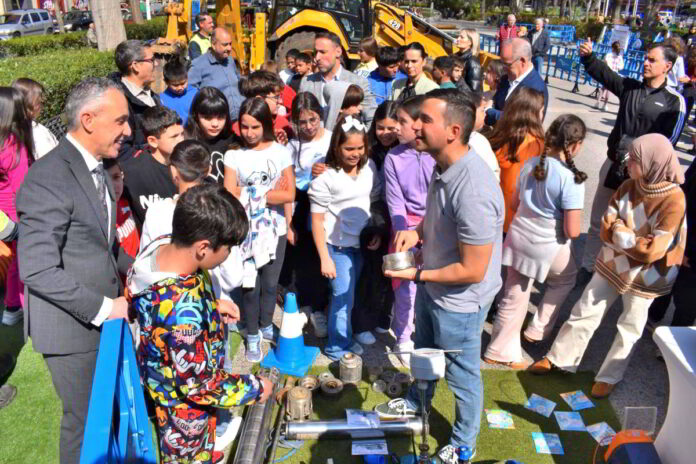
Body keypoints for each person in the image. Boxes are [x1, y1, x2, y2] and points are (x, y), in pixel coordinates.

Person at [374, 89, 504, 464]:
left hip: (460, 302)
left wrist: (416, 274)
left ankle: (464, 444)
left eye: (425, 120)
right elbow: (437, 217)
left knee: (462, 376)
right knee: (424, 354)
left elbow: (473, 269)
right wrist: (417, 233)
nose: (415, 125)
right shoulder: (441, 164)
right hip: (434, 288)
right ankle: (418, 402)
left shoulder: (474, 189)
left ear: (453, 131)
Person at [17, 77, 132, 463]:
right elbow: (37, 269)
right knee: (85, 426)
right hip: (71, 331)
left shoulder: (97, 167)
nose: (127, 131)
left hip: (103, 321)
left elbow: (103, 245)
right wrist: (106, 308)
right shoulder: (48, 178)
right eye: (120, 121)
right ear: (88, 120)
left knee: (110, 415)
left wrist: (149, 272)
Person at [530, 134, 687, 399]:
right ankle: (559, 358)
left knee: (630, 325)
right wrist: (630, 237)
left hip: (647, 276)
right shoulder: (628, 185)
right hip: (613, 263)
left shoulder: (674, 199)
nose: (627, 163)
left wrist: (620, 233)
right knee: (585, 309)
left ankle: (609, 376)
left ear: (652, 162)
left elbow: (653, 250)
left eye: (634, 159)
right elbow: (606, 224)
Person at [128, 183, 273, 464]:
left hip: (166, 380)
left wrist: (212, 306)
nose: (228, 254)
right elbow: (200, 384)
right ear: (203, 248)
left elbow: (165, 305)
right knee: (189, 455)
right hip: (184, 410)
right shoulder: (185, 317)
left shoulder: (161, 246)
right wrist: (256, 388)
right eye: (228, 248)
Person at [576, 39, 686, 287]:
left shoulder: (674, 102)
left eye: (652, 60)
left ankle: (620, 274)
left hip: (642, 177)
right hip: (613, 166)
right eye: (645, 58)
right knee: (599, 220)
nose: (645, 63)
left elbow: (669, 143)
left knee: (633, 227)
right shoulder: (630, 88)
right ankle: (588, 266)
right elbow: (606, 75)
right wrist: (588, 57)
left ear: (667, 66)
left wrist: (642, 162)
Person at [484, 115, 587, 369]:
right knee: (565, 279)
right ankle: (537, 328)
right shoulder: (571, 178)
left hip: (518, 237)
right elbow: (573, 230)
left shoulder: (530, 164)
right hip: (548, 244)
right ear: (576, 145)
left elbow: (514, 203)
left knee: (514, 293)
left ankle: (497, 350)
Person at [223, 98, 295, 362]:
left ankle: (266, 323)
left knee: (270, 283)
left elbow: (289, 194)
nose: (250, 133)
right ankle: (252, 334)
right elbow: (229, 193)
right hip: (245, 232)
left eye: (255, 126)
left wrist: (248, 192)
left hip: (276, 229)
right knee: (250, 285)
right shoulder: (234, 155)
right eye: (245, 127)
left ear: (266, 124)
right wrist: (268, 192)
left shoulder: (281, 152)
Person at [309, 114, 382, 360]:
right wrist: (324, 258)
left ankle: (345, 337)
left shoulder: (369, 168)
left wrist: (375, 231)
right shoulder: (326, 177)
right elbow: (317, 221)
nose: (355, 153)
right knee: (342, 299)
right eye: (349, 148)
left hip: (362, 245)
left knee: (349, 296)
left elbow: (373, 200)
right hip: (337, 249)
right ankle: (337, 347)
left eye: (360, 148)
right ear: (336, 147)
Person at [383, 96, 436, 364]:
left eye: (401, 121)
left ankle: (427, 334)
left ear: (419, 124)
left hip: (436, 229)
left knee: (433, 286)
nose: (396, 127)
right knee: (404, 289)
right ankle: (403, 337)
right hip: (402, 230)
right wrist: (404, 234)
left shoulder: (437, 153)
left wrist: (427, 230)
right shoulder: (393, 157)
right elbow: (396, 203)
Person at [282, 92, 332, 338]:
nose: (309, 126)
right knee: (301, 260)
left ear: (320, 116)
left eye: (313, 120)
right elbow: (288, 186)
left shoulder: (331, 139)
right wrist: (289, 223)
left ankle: (320, 309)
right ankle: (304, 306)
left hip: (326, 207)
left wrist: (328, 170)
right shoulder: (291, 146)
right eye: (302, 122)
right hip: (301, 205)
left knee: (321, 258)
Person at [488, 87, 546, 233]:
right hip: (516, 219)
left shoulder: (500, 135)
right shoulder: (536, 143)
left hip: (491, 211)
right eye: (541, 111)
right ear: (533, 114)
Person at [647, 161, 696, 328]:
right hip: (681, 234)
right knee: (665, 280)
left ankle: (676, 336)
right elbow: (684, 190)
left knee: (687, 301)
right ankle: (653, 315)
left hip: (691, 255)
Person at [0, 87, 33, 327]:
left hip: (3, 215)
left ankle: (12, 305)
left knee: (14, 262)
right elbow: (22, 186)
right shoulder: (13, 144)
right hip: (16, 215)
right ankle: (22, 306)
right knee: (23, 262)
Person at [121, 106, 183, 230]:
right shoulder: (131, 173)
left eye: (182, 134)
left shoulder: (187, 165)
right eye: (174, 136)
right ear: (153, 141)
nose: (181, 140)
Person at [299, 31, 378, 126]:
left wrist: (358, 135)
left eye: (323, 52)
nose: (317, 57)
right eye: (315, 52)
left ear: (338, 52)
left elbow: (372, 119)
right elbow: (298, 117)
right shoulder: (307, 83)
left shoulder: (358, 83)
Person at [111, 40, 161, 160]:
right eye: (152, 60)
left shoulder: (151, 94)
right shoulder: (117, 102)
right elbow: (123, 152)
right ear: (136, 66)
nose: (156, 63)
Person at [485, 38, 548, 126]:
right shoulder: (506, 79)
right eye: (501, 62)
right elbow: (496, 102)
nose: (503, 68)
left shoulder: (535, 88)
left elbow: (521, 122)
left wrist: (489, 111)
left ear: (522, 61)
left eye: (507, 64)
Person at [189, 27, 245, 123]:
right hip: (216, 122)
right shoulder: (198, 65)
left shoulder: (230, 61)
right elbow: (190, 93)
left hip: (238, 119)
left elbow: (239, 83)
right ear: (214, 45)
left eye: (230, 44)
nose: (229, 48)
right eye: (225, 45)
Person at [185, 87, 236, 184]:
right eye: (207, 118)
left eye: (221, 117)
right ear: (196, 116)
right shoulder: (187, 143)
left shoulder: (234, 142)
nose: (215, 124)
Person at [235, 70, 293, 144]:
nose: (281, 101)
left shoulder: (283, 124)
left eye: (280, 96)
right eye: (276, 97)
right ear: (260, 100)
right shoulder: (238, 130)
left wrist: (282, 146)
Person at [104, 159, 139, 271]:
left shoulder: (126, 199)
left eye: (116, 177)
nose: (114, 185)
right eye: (106, 180)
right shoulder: (100, 216)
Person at [11, 78, 58, 159]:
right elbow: (51, 161)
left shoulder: (10, 129)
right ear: (29, 103)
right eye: (39, 100)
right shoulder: (37, 133)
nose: (42, 101)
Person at [462, 91, 500, 181]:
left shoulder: (479, 139)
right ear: (471, 113)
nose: (485, 114)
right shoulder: (475, 142)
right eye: (482, 110)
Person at [159, 57, 198, 125]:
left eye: (183, 83)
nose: (180, 88)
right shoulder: (161, 99)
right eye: (175, 85)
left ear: (187, 78)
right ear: (166, 82)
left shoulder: (196, 94)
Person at [595, 41, 624, 111]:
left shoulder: (608, 55)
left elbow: (604, 62)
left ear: (612, 47)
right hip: (614, 74)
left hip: (607, 73)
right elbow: (621, 67)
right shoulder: (620, 57)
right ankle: (604, 105)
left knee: (603, 89)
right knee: (609, 90)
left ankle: (597, 103)